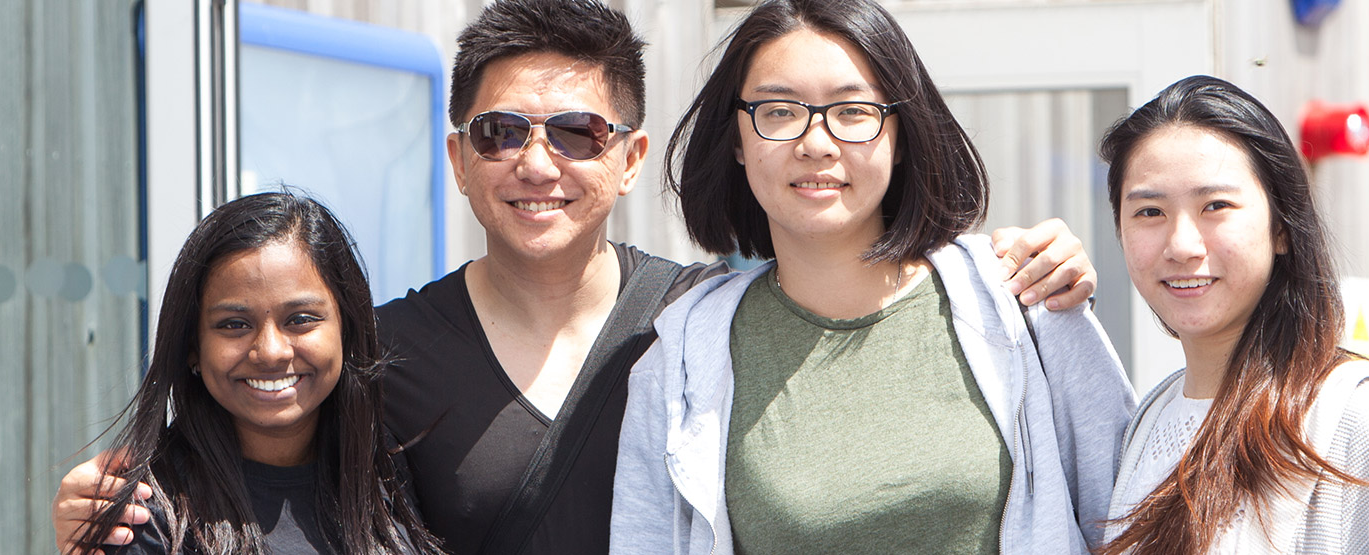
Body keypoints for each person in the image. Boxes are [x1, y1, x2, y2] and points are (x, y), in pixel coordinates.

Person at [55, 1, 1102, 553]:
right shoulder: (380, 352)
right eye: (501, 132)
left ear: (630, 159)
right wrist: (117, 515)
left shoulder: (700, 322)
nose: (537, 162)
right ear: (458, 156)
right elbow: (264, 482)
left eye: (577, 131)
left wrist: (1016, 264)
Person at [609, 1, 1136, 553]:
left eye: (853, 110)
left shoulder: (1025, 298)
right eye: (780, 111)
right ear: (737, 140)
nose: (816, 143)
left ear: (901, 134)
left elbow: (1135, 520)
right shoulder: (680, 362)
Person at [1097, 75, 1369, 554]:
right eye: (1149, 212)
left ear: (1282, 227)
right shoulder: (1150, 418)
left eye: (1215, 205)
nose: (1181, 246)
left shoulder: (1355, 415)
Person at [67, 192, 444, 554]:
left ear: (347, 329)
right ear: (192, 348)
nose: (271, 352)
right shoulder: (143, 517)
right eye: (233, 325)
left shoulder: (393, 473)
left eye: (300, 320)